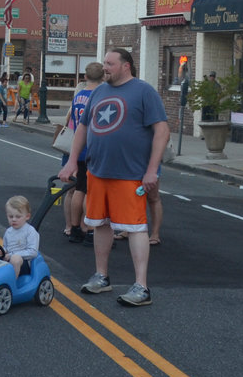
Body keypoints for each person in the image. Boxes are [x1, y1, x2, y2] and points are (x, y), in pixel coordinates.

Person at [57, 47, 169, 307]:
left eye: (109, 63)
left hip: (130, 175)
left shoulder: (144, 92)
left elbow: (162, 131)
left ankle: (141, 286)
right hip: (98, 171)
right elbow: (82, 127)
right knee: (100, 224)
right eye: (104, 63)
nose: (104, 67)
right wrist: (73, 160)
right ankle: (101, 276)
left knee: (135, 228)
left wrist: (152, 169)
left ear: (125, 66)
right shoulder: (98, 92)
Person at [59, 61, 105, 241]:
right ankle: (89, 228)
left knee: (78, 189)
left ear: (85, 77)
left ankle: (74, 226)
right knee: (89, 191)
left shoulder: (79, 96)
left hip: (78, 146)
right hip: (93, 146)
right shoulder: (99, 96)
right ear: (103, 77)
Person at [2, 195, 39, 278]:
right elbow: (5, 247)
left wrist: (11, 255)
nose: (14, 219)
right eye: (10, 216)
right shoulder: (8, 231)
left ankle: (12, 282)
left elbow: (33, 252)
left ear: (27, 216)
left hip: (24, 263)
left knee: (15, 259)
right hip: (8, 260)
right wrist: (2, 251)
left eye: (18, 216)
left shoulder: (30, 231)